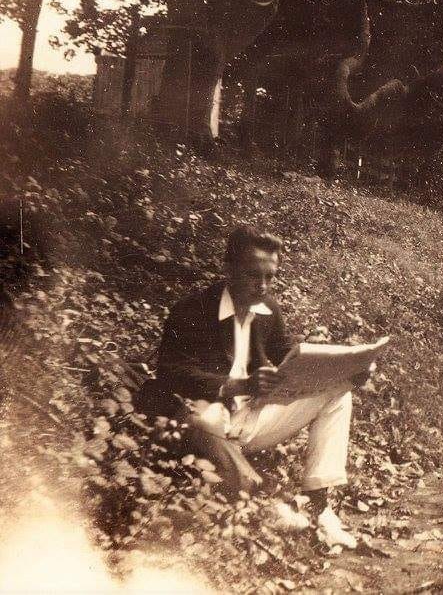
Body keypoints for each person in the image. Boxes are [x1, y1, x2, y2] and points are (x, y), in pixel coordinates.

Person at [139, 225, 367, 548]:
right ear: (228, 270)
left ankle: (319, 506)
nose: (262, 285)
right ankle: (258, 495)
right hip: (209, 420)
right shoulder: (193, 309)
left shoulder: (267, 310)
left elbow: (289, 355)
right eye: (252, 275)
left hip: (248, 418)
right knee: (202, 417)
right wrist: (239, 385)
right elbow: (172, 372)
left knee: (338, 395)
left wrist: (344, 374)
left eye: (269, 277)